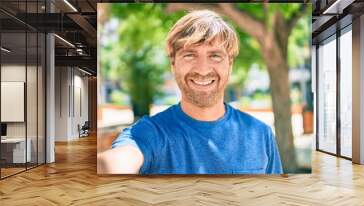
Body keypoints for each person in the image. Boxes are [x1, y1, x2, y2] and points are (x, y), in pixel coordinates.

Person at [98, 10, 283, 174]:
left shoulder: (261, 134)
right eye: (189, 55)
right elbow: (117, 162)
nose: (203, 70)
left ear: (230, 65)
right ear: (173, 65)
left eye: (215, 55)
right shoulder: (149, 133)